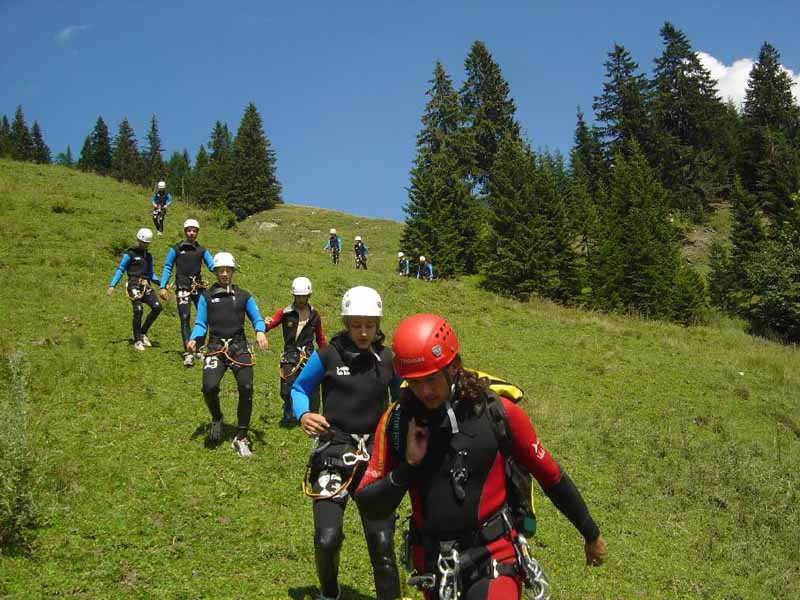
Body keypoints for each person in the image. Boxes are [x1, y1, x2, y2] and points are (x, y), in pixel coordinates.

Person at [355, 313, 606, 600]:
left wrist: (591, 533)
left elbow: (550, 474)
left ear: (453, 366)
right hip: (436, 566)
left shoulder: (496, 412)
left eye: (431, 379)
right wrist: (409, 467)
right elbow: (369, 505)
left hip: (495, 556)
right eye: (414, 382)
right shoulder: (399, 422)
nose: (424, 391)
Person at [291, 286, 401, 600]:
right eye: (356, 325)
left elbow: (404, 400)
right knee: (327, 537)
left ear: (378, 323)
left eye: (370, 324)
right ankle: (329, 592)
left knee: (381, 544)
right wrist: (303, 414)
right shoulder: (327, 355)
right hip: (333, 452)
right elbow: (299, 387)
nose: (364, 332)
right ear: (346, 322)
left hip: (376, 460)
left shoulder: (389, 358)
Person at [186, 252, 269, 457]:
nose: (224, 274)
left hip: (239, 347)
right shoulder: (206, 297)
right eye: (220, 270)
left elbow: (256, 318)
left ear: (233, 271)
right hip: (214, 347)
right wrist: (195, 338)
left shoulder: (244, 296)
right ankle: (217, 418)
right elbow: (200, 322)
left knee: (247, 386)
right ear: (215, 272)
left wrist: (260, 331)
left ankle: (241, 437)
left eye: (227, 270)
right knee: (209, 387)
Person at [265, 276, 328, 426]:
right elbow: (271, 324)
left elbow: (320, 338)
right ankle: (288, 405)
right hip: (289, 355)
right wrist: (263, 325)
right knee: (285, 390)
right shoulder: (285, 313)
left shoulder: (315, 315)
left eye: (304, 296)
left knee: (313, 388)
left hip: (309, 355)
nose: (301, 300)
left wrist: (326, 356)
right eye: (298, 296)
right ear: (294, 296)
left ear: (309, 296)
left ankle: (312, 417)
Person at [158, 219, 215, 367]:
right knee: (185, 317)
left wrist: (222, 268)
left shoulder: (202, 250)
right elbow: (168, 266)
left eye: (194, 230)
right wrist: (163, 286)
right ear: (185, 232)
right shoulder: (175, 249)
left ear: (197, 233)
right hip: (182, 287)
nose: (191, 233)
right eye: (189, 230)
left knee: (205, 316)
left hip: (198, 287)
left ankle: (199, 348)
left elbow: (212, 265)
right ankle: (188, 352)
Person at [107, 227, 162, 351]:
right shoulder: (130, 254)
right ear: (138, 240)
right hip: (133, 284)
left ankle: (142, 333)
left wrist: (162, 284)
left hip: (146, 285)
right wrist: (112, 285)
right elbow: (121, 269)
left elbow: (151, 274)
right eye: (143, 243)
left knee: (157, 307)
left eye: (147, 243)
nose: (145, 245)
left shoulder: (148, 256)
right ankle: (137, 340)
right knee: (138, 309)